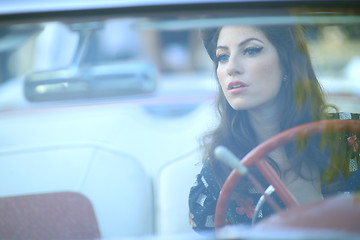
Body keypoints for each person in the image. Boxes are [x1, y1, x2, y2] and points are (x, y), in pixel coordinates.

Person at [188, 24, 360, 232]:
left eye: (250, 50)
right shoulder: (218, 176)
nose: (231, 67)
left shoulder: (350, 137)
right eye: (222, 57)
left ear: (287, 63)